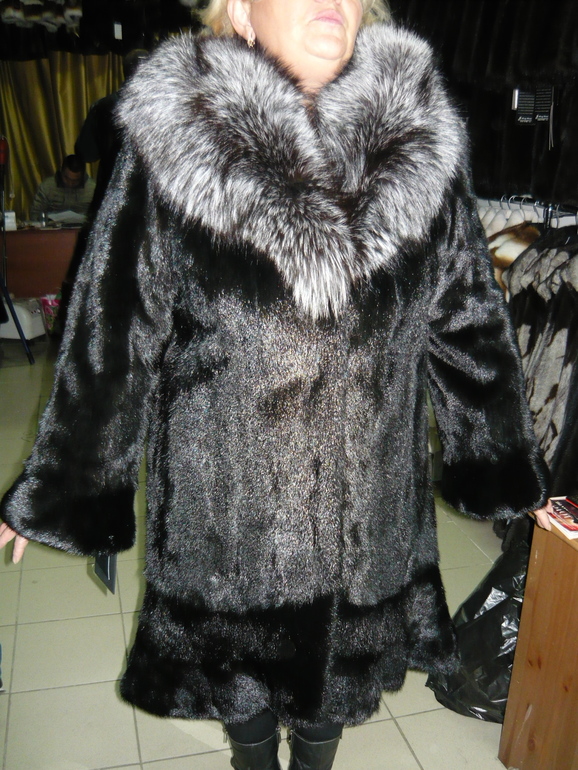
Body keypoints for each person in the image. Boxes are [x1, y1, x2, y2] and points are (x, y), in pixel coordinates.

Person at [0, 1, 553, 768]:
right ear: (240, 12)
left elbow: (469, 326)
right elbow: (115, 328)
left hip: (368, 523)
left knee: (335, 689)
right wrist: (66, 484)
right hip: (225, 522)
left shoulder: (422, 141)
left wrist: (512, 473)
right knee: (243, 691)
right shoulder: (175, 138)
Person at [29, 154, 95, 221]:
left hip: (83, 226)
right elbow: (35, 212)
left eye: (75, 180)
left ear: (82, 176)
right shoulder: (48, 186)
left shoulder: (93, 188)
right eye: (66, 178)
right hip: (52, 226)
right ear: (61, 171)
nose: (70, 183)